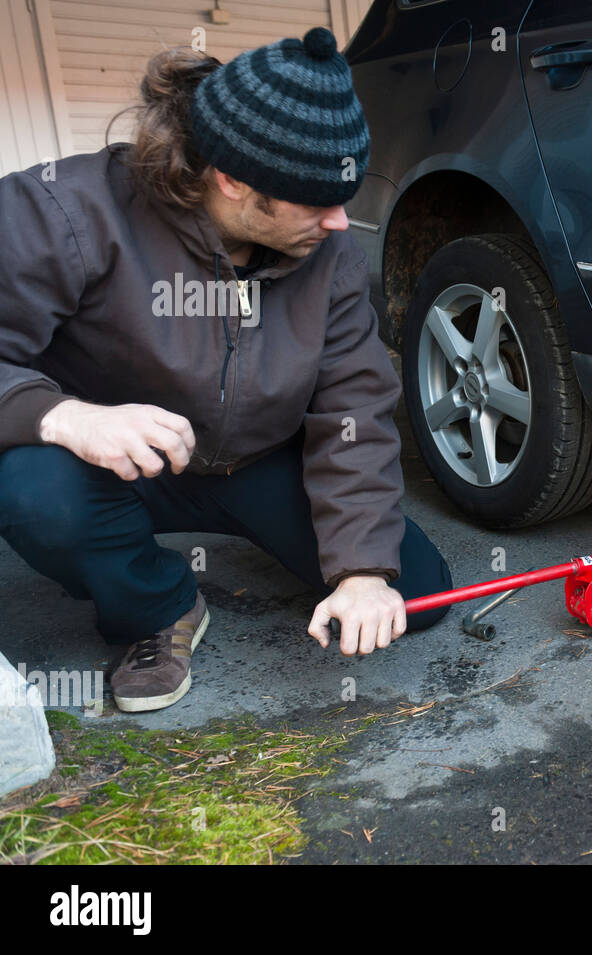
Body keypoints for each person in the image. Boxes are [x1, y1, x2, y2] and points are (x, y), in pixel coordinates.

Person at [0, 27, 453, 713]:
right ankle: (158, 605)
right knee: (32, 489)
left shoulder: (327, 256)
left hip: (260, 460)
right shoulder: (65, 211)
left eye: (344, 197)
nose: (339, 223)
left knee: (413, 595)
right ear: (233, 179)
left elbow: (353, 411)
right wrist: (62, 415)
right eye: (315, 202)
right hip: (120, 464)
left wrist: (362, 569)